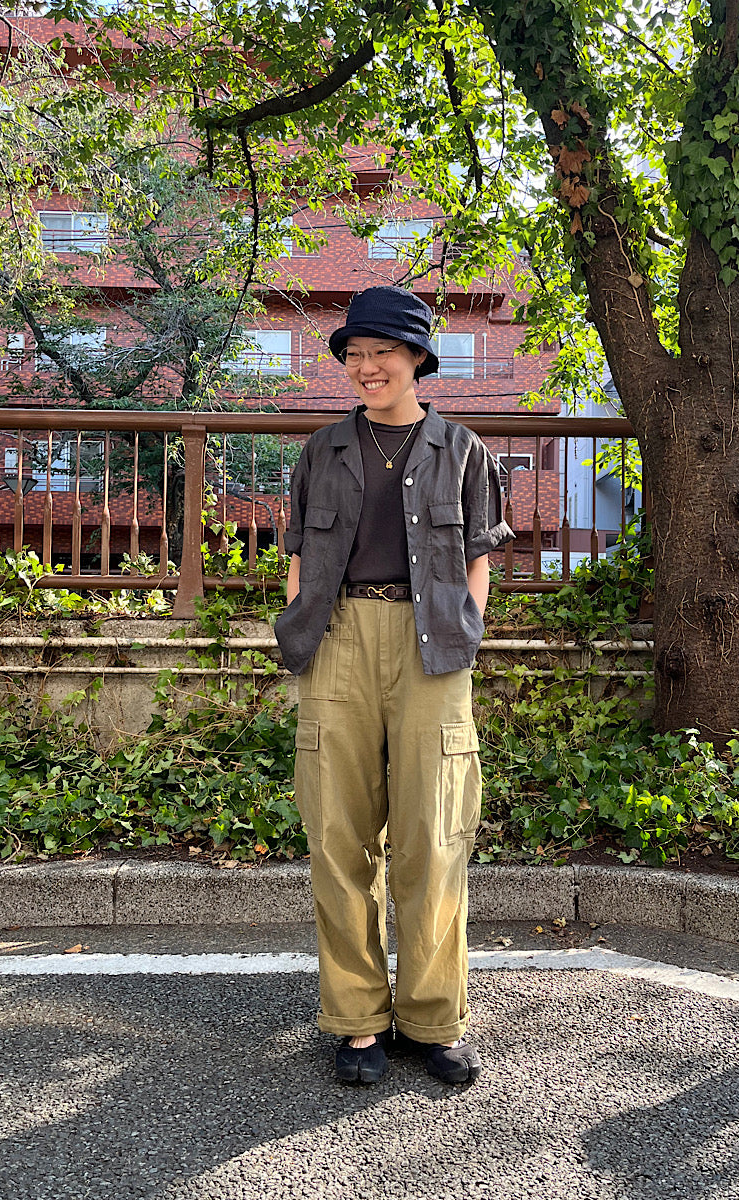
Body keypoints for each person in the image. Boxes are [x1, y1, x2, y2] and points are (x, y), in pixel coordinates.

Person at [275, 286, 513, 1085]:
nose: (365, 367)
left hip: (433, 647)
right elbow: (299, 555)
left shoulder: (462, 449)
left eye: (381, 353)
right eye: (354, 355)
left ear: (416, 358)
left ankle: (432, 1017)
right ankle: (357, 1022)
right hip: (339, 638)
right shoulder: (323, 451)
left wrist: (466, 630)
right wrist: (303, 621)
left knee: (434, 835)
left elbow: (479, 555)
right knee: (338, 834)